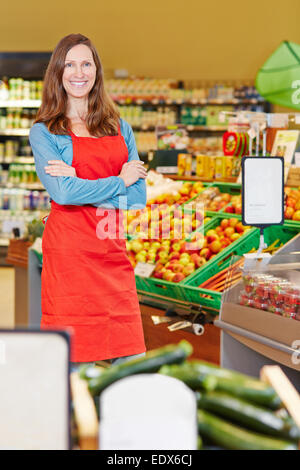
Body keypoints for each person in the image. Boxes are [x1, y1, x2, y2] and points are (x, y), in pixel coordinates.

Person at [29, 33, 148, 365]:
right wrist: (118, 181)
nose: (78, 73)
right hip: (70, 259)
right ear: (58, 72)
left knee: (132, 359)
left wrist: (82, 186)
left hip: (112, 254)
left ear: (97, 71)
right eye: (70, 64)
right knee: (72, 362)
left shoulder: (120, 128)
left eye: (86, 64)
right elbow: (62, 193)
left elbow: (137, 199)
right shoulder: (45, 131)